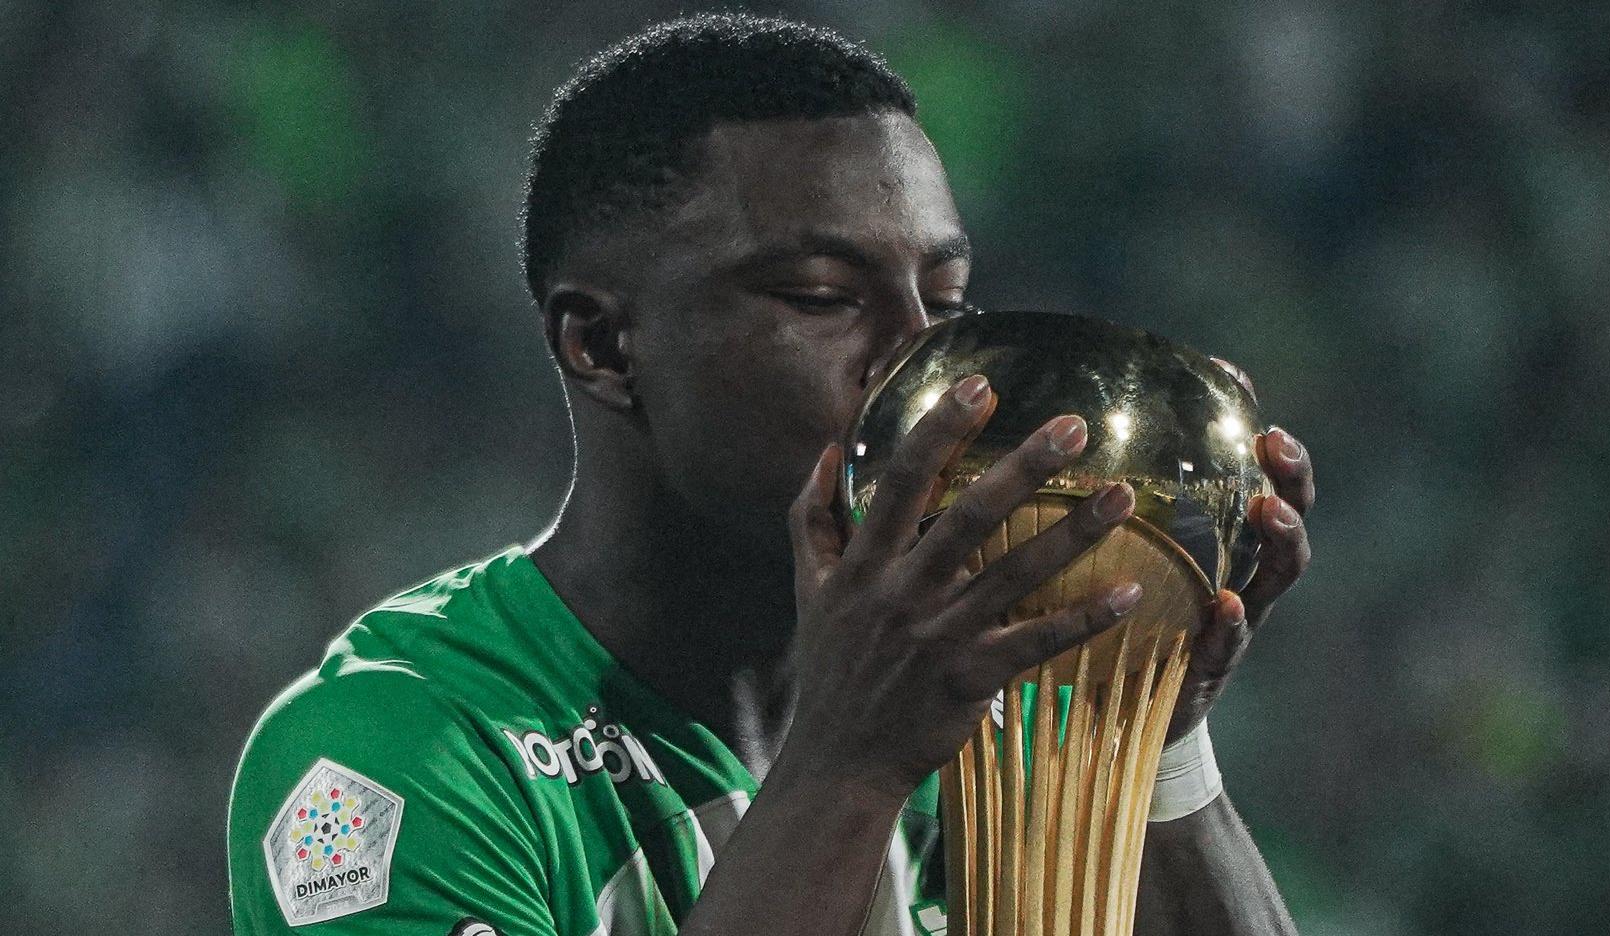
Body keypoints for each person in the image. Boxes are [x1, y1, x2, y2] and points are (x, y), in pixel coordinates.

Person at [227, 13, 1315, 936]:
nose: (920, 361)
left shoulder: (999, 710)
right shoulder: (394, 757)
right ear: (603, 348)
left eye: (944, 300)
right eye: (821, 297)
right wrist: (848, 769)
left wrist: (1152, 732)